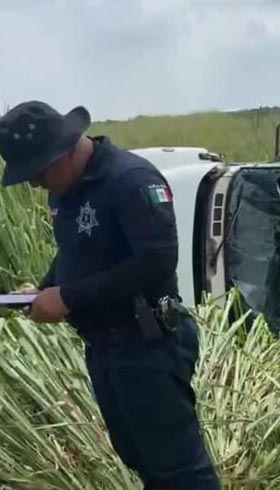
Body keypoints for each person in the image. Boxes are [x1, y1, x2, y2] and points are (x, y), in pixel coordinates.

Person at [0, 101, 220, 490]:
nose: (35, 184)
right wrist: (44, 288)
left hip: (148, 345)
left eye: (37, 172)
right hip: (107, 350)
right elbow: (75, 251)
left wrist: (68, 298)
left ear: (65, 149)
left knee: (180, 471)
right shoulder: (65, 189)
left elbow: (156, 260)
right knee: (141, 457)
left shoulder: (130, 180)